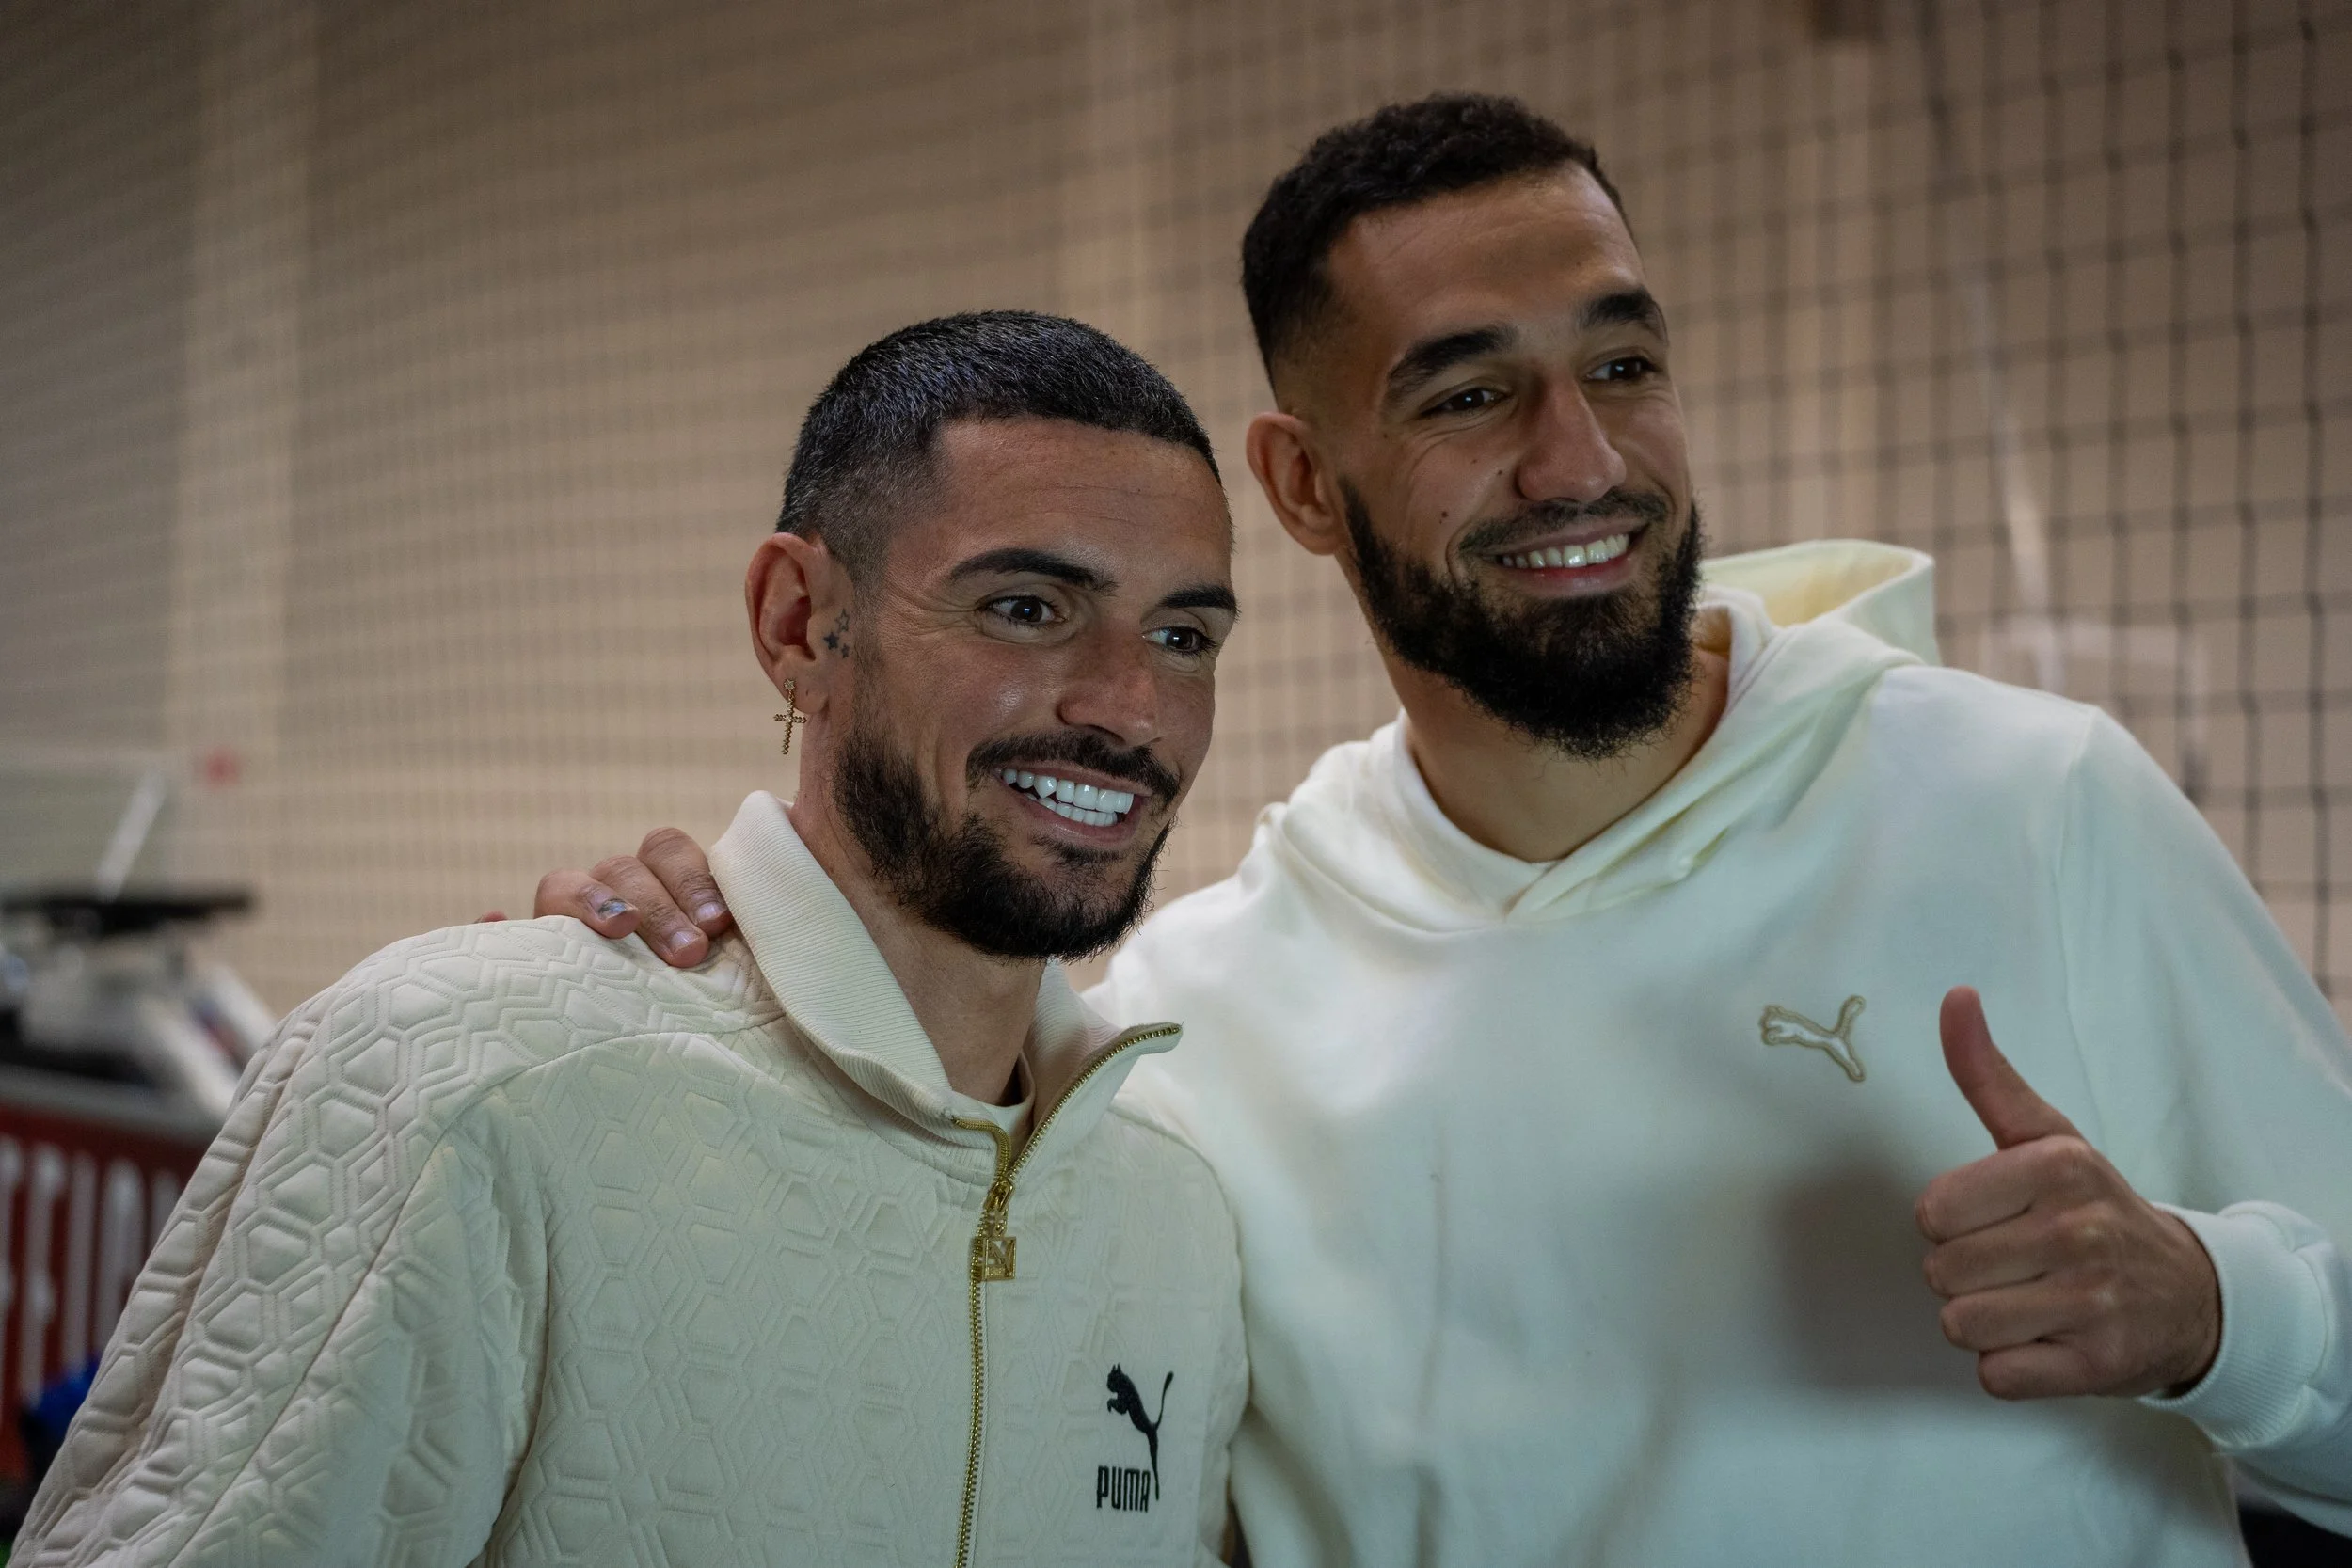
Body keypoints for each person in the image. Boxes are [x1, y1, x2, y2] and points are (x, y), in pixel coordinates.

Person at [555, 97, 2352, 1565]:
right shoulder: (1189, 1008)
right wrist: (695, 951)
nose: (1581, 461)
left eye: (1623, 363)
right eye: (1472, 393)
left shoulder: (2040, 804)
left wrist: (2214, 1310)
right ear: (1303, 487)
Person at [16, 311, 1250, 1566]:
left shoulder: (1177, 1214)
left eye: (1184, 637)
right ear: (798, 624)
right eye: (1029, 605)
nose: (1128, 706)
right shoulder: (463, 1078)